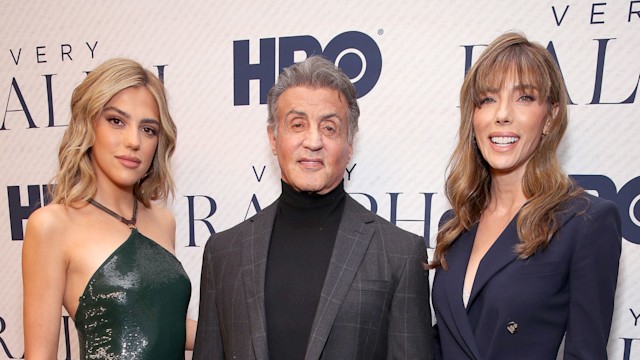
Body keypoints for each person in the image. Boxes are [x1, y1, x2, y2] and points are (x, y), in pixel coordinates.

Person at [193, 55, 433, 359]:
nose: (313, 141)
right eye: (297, 124)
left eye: (330, 127)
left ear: (349, 142)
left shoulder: (399, 253)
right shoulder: (223, 253)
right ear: (273, 138)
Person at [430, 32, 622, 359]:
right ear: (473, 117)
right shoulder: (456, 222)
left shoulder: (584, 222)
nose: (502, 114)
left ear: (551, 117)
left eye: (524, 98)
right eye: (487, 99)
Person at [22, 58, 195, 359]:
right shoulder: (52, 225)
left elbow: (163, 327)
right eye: (116, 121)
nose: (133, 141)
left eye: (148, 129)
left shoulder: (162, 220)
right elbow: (40, 355)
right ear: (88, 125)